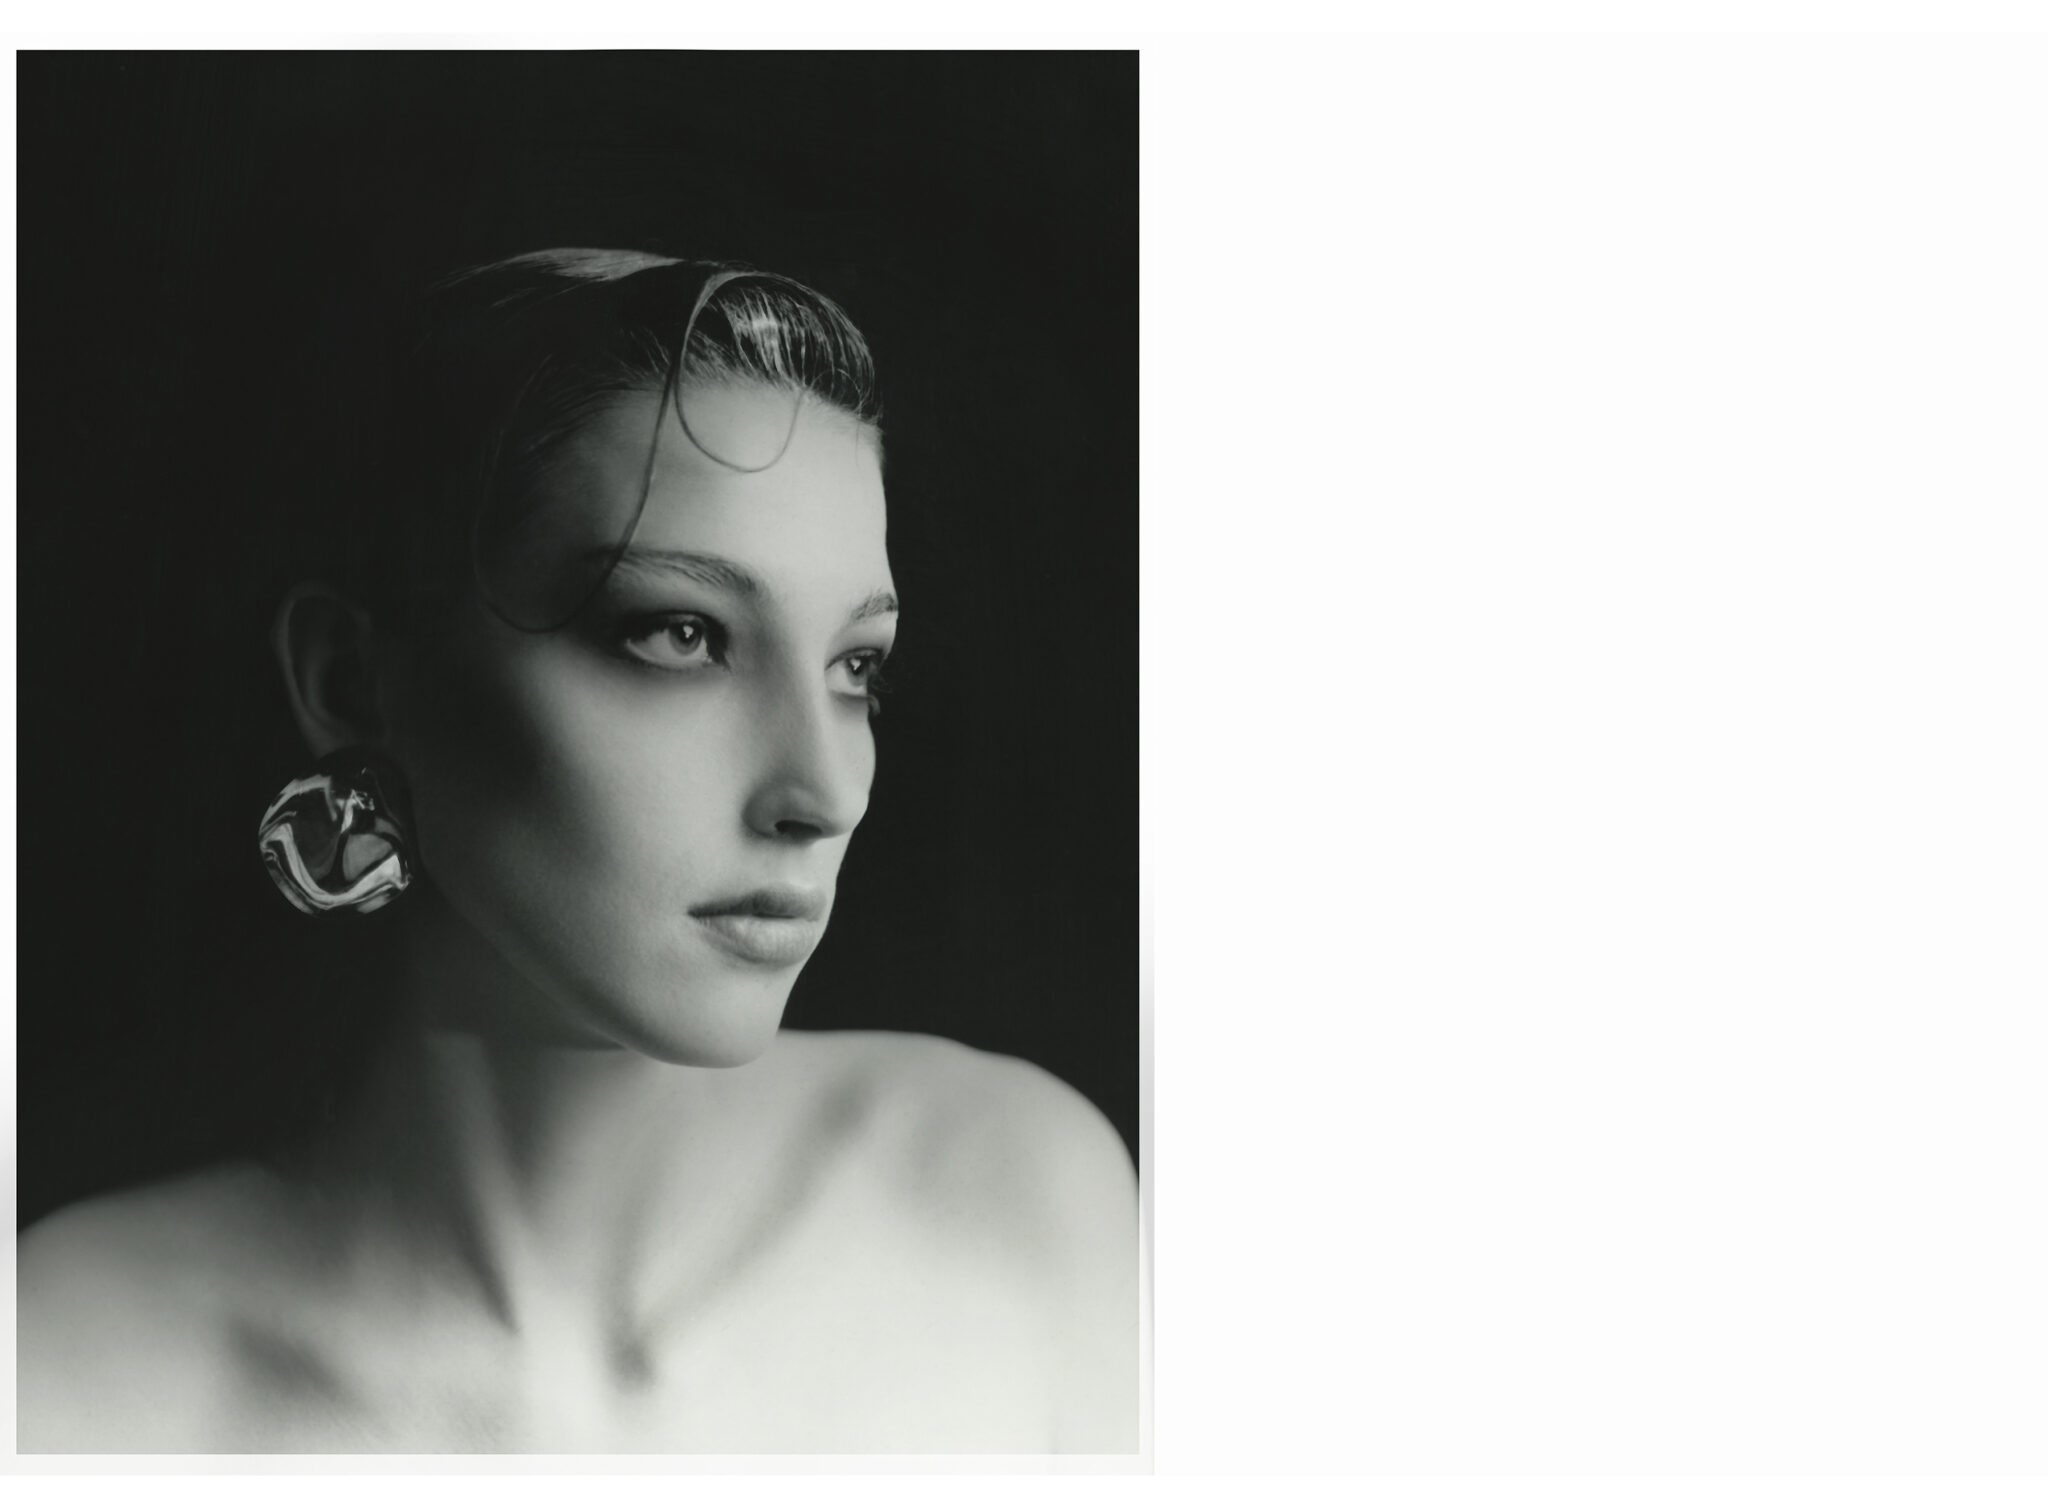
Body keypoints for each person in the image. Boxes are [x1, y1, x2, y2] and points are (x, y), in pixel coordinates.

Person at [16, 250, 1139, 1454]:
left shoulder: (1015, 1200)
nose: (822, 793)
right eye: (681, 633)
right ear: (351, 682)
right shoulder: (74, 1375)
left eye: (855, 665)